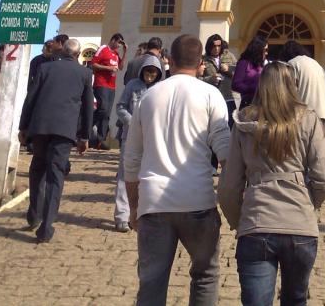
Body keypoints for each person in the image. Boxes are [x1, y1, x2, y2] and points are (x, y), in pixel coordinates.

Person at [124, 34, 231, 306]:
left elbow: (132, 158)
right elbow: (225, 152)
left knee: (151, 282)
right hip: (198, 200)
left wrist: (134, 206)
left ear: (168, 61)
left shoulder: (149, 97)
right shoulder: (211, 94)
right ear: (200, 64)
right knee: (205, 276)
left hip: (154, 202)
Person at [219, 61, 325, 306]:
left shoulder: (243, 122)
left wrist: (238, 220)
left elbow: (229, 187)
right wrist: (308, 203)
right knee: (296, 299)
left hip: (257, 221)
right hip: (299, 224)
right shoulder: (308, 119)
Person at [18, 38, 93, 244]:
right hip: (65, 130)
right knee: (55, 176)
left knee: (38, 169)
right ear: (78, 55)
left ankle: (34, 215)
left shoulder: (45, 68)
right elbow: (87, 107)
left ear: (63, 50)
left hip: (41, 127)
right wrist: (85, 136)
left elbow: (30, 98)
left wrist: (23, 127)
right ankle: (46, 226)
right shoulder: (85, 74)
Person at [114, 54, 163, 232]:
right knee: (125, 175)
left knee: (149, 176)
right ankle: (121, 215)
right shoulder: (132, 85)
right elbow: (120, 107)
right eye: (147, 72)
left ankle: (144, 214)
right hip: (130, 136)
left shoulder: (161, 89)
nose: (150, 76)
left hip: (152, 137)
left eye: (153, 73)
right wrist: (132, 122)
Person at [280, 40, 325, 128]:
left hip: (305, 117)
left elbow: (289, 92)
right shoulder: (316, 63)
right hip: (323, 114)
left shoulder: (292, 63)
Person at [90, 32, 126, 149]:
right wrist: (108, 68)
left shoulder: (115, 54)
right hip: (101, 84)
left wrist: (124, 53)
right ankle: (85, 124)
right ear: (113, 40)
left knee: (107, 114)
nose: (119, 46)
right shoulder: (103, 49)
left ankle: (100, 140)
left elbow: (120, 67)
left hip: (112, 87)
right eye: (119, 43)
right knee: (103, 109)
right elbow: (93, 64)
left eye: (121, 44)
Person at [202, 34, 238, 126]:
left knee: (230, 126)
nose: (217, 48)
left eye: (219, 46)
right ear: (209, 47)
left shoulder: (229, 56)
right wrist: (210, 79)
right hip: (212, 99)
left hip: (228, 97)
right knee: (213, 125)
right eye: (214, 46)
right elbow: (197, 78)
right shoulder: (203, 59)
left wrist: (228, 70)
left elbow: (239, 74)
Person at [233, 36, 268, 109]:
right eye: (265, 50)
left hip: (263, 104)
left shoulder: (263, 64)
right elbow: (236, 84)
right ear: (258, 49)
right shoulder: (244, 63)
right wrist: (253, 88)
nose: (267, 53)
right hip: (248, 104)